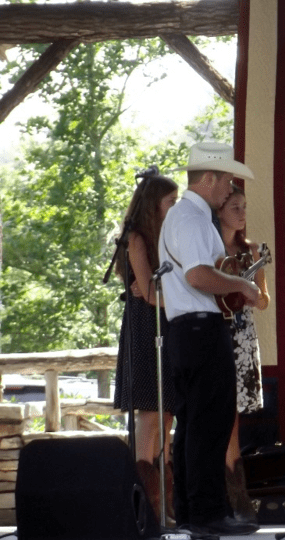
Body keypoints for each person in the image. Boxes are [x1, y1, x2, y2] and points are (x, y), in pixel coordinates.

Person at [158, 142, 261, 537]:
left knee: (193, 426)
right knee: (210, 424)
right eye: (227, 181)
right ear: (209, 179)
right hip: (200, 330)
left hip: (188, 331)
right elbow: (198, 276)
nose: (229, 188)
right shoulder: (193, 219)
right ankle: (206, 515)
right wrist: (241, 285)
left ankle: (192, 512)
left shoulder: (186, 217)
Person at [113, 173, 178, 521]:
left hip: (166, 326)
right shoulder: (137, 239)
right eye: (170, 201)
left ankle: (164, 502)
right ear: (154, 205)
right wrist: (188, 299)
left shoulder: (167, 237)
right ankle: (143, 505)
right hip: (146, 328)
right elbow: (150, 295)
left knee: (167, 412)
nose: (175, 207)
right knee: (150, 413)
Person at [216, 184, 270, 523]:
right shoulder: (206, 247)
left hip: (242, 335)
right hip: (214, 331)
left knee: (234, 418)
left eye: (244, 207)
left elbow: (264, 299)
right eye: (235, 207)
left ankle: (238, 500)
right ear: (219, 209)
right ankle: (229, 501)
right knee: (218, 416)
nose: (242, 213)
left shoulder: (253, 250)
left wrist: (254, 297)